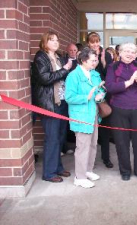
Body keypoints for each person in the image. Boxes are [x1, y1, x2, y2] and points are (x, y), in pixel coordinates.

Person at [106, 43, 137, 181]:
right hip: (119, 109)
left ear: (136, 54)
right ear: (120, 52)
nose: (129, 54)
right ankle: (125, 171)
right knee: (121, 141)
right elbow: (110, 87)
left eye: (132, 52)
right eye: (126, 51)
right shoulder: (112, 67)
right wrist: (128, 83)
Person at [32, 31, 72, 183]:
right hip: (49, 105)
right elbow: (45, 78)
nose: (56, 42)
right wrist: (65, 69)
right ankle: (49, 173)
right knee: (52, 139)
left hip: (61, 103)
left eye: (57, 40)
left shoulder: (58, 57)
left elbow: (62, 78)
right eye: (52, 40)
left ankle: (58, 168)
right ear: (45, 42)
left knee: (60, 138)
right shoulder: (41, 57)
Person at [65, 47, 105, 188]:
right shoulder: (73, 76)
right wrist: (86, 97)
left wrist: (100, 96)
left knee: (93, 144)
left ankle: (88, 170)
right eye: (92, 60)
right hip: (81, 116)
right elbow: (69, 97)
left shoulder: (95, 75)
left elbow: (100, 90)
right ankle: (79, 177)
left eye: (96, 60)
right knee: (82, 146)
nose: (95, 63)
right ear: (83, 60)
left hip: (93, 114)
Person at [87, 32, 114, 168]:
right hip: (90, 96)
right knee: (90, 130)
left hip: (103, 96)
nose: (95, 44)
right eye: (92, 42)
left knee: (105, 129)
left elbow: (110, 75)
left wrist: (103, 62)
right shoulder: (85, 55)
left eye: (97, 41)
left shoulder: (106, 55)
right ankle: (89, 160)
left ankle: (106, 157)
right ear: (88, 43)